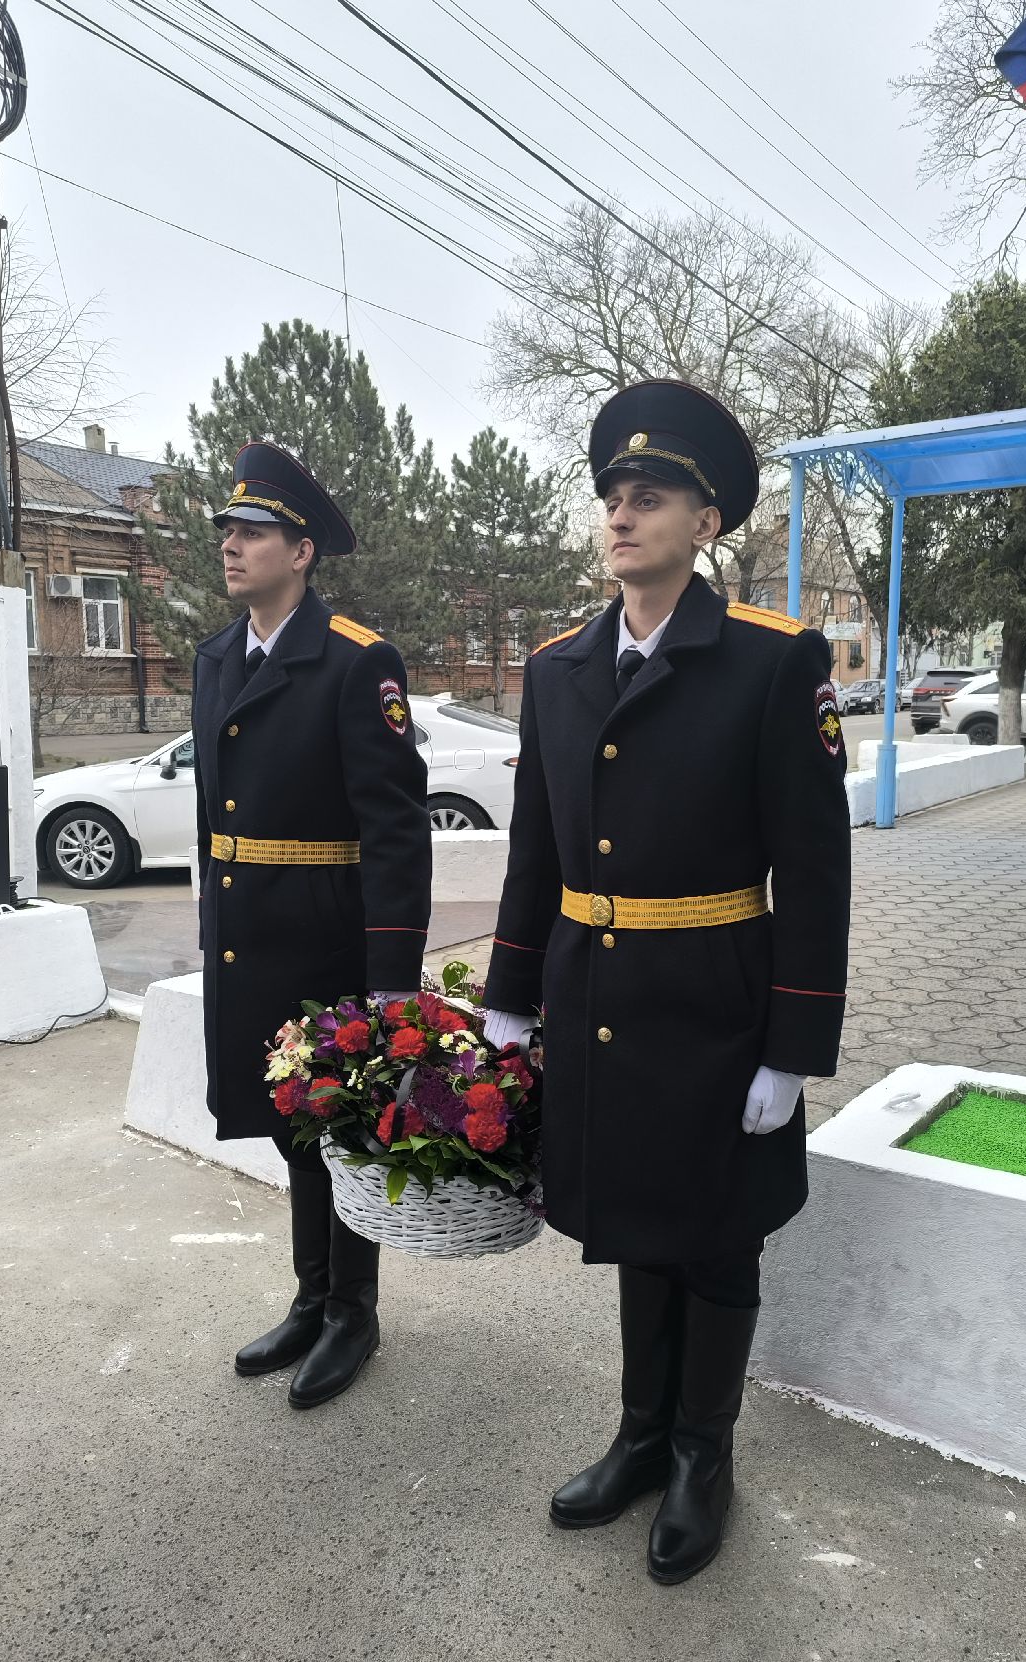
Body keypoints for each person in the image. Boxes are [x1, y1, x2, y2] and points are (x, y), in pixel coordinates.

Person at [482, 381, 851, 1585]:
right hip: (596, 1001)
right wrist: (508, 996)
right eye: (611, 495)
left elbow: (814, 870)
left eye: (649, 496)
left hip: (714, 999)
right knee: (635, 1227)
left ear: (705, 522)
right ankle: (640, 1436)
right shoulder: (557, 667)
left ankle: (702, 1455)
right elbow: (535, 848)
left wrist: (792, 1048)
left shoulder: (769, 661)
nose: (620, 513)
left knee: (717, 1236)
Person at [192, 440, 431, 1408]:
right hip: (249, 938)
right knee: (291, 1131)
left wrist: (391, 981)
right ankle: (310, 1297)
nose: (230, 545)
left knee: (342, 1131)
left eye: (253, 532)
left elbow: (395, 833)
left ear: (300, 553)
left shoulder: (354, 660)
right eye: (228, 530)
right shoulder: (217, 657)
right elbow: (216, 816)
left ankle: (352, 1314)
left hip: (326, 940)